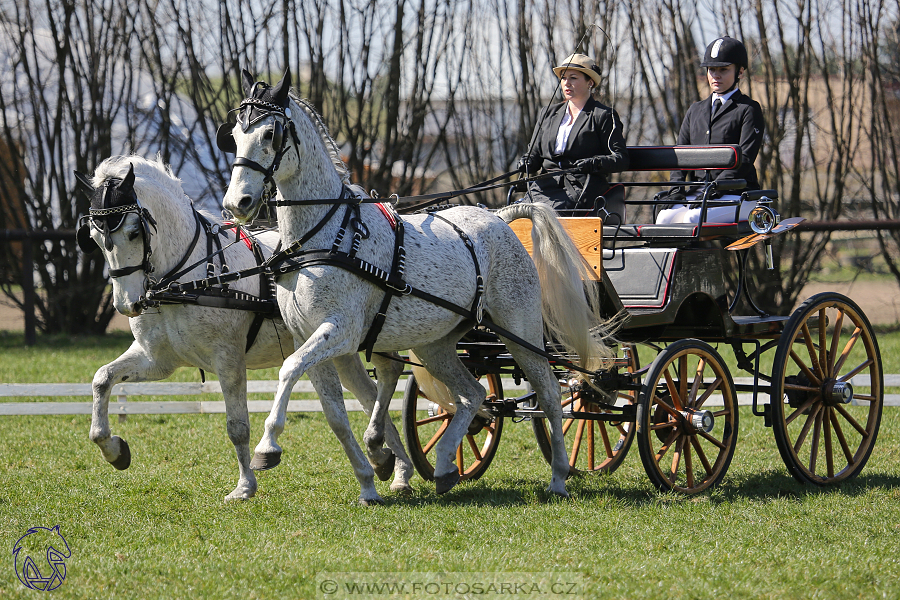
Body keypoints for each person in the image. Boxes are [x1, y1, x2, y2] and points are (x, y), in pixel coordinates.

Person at [655, 36, 766, 224]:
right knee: (664, 218)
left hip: (737, 193)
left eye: (724, 70)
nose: (716, 75)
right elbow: (679, 155)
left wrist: (715, 188)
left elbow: (744, 159)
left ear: (740, 72)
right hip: (699, 194)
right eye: (712, 70)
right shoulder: (695, 110)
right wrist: (677, 190)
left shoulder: (748, 109)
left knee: (692, 219)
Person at [517, 53, 629, 221]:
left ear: (590, 82)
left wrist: (593, 163)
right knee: (515, 217)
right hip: (544, 186)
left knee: (544, 219)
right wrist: (527, 163)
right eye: (563, 78)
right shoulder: (548, 113)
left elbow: (621, 159)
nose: (566, 83)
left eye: (573, 78)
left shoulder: (603, 116)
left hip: (580, 188)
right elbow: (534, 155)